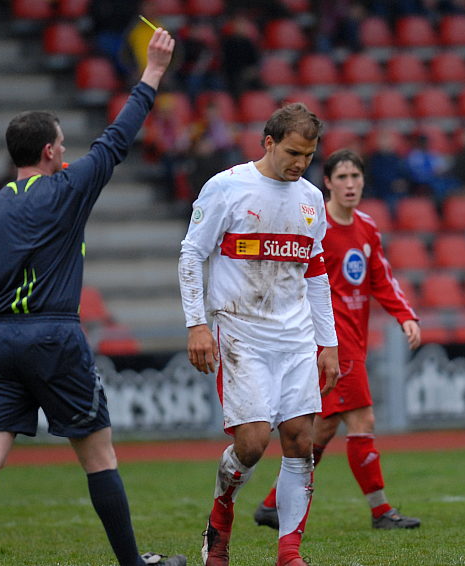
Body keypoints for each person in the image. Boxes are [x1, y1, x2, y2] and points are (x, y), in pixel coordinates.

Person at [0, 28, 185, 566]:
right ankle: (133, 564)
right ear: (49, 151)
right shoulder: (67, 188)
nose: (67, 150)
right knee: (98, 454)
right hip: (54, 335)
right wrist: (153, 74)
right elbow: (117, 140)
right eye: (63, 144)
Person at [178, 103, 340, 566]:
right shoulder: (227, 188)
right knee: (251, 444)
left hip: (295, 338)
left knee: (299, 440)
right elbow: (192, 254)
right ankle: (221, 515)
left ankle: (289, 552)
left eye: (308, 156)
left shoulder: (310, 199)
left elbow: (315, 272)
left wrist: (327, 343)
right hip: (241, 332)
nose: (299, 163)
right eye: (292, 152)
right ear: (267, 142)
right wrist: (196, 324)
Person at [253, 149, 422, 532]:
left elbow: (381, 278)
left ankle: (270, 505)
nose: (350, 184)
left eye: (355, 177)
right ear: (327, 182)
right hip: (329, 341)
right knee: (363, 418)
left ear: (363, 181)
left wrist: (405, 314)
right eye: (341, 177)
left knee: (323, 429)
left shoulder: (366, 227)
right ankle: (381, 512)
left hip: (354, 340)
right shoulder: (316, 225)